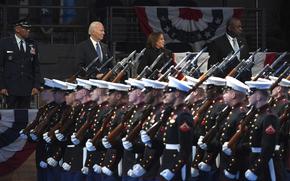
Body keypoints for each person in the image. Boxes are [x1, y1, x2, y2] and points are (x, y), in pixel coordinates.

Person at [0, 18, 41, 108]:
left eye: (29, 29)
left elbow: (36, 67)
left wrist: (36, 85)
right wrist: (1, 86)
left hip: (27, 87)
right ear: (17, 29)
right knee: (10, 116)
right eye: (26, 29)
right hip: (10, 87)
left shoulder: (32, 44)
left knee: (25, 115)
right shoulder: (5, 43)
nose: (28, 31)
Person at [207, 17, 250, 82]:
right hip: (225, 80)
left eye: (241, 27)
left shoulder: (243, 41)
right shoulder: (217, 42)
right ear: (230, 28)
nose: (241, 29)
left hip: (242, 81)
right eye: (238, 27)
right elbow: (213, 65)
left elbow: (247, 60)